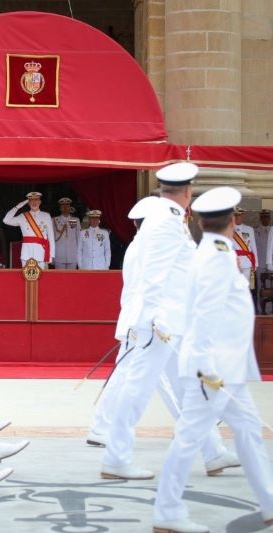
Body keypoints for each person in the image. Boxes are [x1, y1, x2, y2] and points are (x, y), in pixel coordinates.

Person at [101, 162, 236, 481]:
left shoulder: (167, 218)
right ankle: (116, 457)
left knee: (189, 388)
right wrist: (155, 318)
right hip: (160, 325)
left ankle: (213, 451)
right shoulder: (166, 222)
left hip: (171, 323)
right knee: (137, 390)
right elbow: (154, 274)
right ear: (187, 192)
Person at [152, 186, 273, 533]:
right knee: (189, 438)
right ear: (233, 221)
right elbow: (206, 314)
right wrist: (206, 366)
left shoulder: (212, 251)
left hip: (224, 367)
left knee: (248, 432)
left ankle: (269, 503)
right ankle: (167, 511)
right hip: (213, 368)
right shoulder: (215, 257)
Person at [87, 196, 158, 447]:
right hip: (142, 323)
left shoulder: (143, 246)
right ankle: (101, 427)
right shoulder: (143, 249)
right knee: (126, 376)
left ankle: (201, 432)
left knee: (167, 378)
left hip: (147, 322)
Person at [3, 192, 55, 268]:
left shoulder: (46, 216)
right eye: (31, 200)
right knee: (26, 275)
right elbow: (6, 220)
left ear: (40, 202)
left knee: (41, 275)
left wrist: (51, 255)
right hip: (26, 254)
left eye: (36, 200)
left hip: (41, 253)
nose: (34, 203)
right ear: (28, 203)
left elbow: (51, 237)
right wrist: (18, 206)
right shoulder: (23, 216)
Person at [232, 207, 258, 295]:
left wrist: (255, 263)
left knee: (245, 287)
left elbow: (253, 246)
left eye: (239, 215)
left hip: (247, 261)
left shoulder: (249, 229)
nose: (237, 217)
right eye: (235, 215)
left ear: (243, 216)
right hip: (234, 261)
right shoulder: (229, 228)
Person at [53, 197, 80, 269]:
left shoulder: (75, 220)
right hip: (59, 255)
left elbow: (78, 238)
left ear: (70, 207)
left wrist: (79, 256)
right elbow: (51, 238)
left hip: (72, 255)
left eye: (67, 206)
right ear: (60, 208)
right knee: (59, 276)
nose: (65, 208)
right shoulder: (54, 220)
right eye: (63, 206)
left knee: (72, 276)